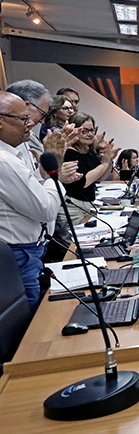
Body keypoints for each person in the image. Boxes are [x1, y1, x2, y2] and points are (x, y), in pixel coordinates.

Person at [0, 92, 75, 312]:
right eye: (23, 119)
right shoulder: (5, 162)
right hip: (18, 256)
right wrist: (55, 173)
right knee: (27, 328)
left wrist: (46, 178)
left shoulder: (13, 156)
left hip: (25, 252)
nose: (31, 123)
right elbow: (46, 209)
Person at [62, 113, 119, 227]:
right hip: (73, 207)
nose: (89, 134)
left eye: (91, 131)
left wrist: (109, 161)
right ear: (75, 131)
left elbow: (100, 178)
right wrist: (105, 163)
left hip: (88, 204)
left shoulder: (89, 151)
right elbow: (84, 182)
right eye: (84, 131)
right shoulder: (69, 152)